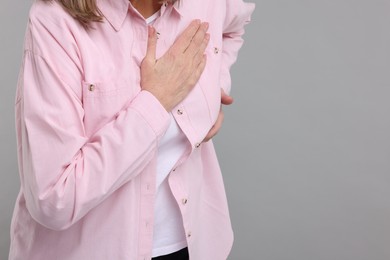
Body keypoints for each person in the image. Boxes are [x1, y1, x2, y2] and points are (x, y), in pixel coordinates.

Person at [9, 0, 254, 259]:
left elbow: (234, 27)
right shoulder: (54, 21)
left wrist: (210, 88)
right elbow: (54, 199)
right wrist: (156, 101)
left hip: (191, 244)